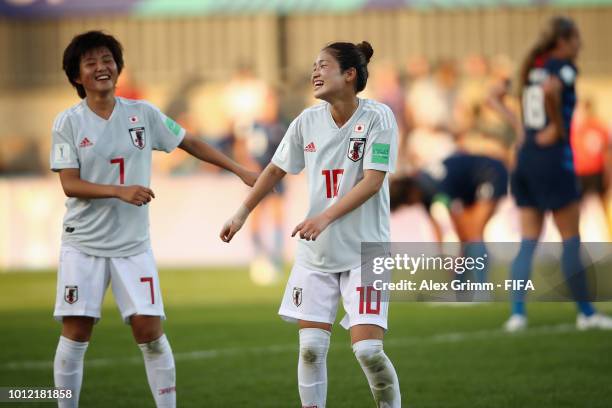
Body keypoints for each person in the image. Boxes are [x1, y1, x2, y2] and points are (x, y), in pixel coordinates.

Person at [50, 31, 257, 408]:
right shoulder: (68, 123)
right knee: (76, 333)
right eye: (91, 62)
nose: (102, 67)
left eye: (107, 59)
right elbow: (69, 183)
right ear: (77, 77)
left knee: (150, 331)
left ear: (118, 66)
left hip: (133, 245)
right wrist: (119, 190)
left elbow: (189, 142)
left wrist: (238, 169)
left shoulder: (141, 114)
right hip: (84, 244)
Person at [221, 41, 401, 407]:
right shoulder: (306, 121)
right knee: (311, 350)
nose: (314, 72)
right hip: (317, 255)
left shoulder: (378, 117)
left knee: (368, 351)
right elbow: (274, 169)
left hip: (365, 253)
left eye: (324, 65)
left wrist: (325, 216)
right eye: (313, 66)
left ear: (350, 75)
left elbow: (372, 180)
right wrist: (241, 213)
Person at [504, 16, 612, 332]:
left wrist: (521, 129)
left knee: (527, 243)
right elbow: (553, 93)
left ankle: (517, 315)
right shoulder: (563, 68)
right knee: (570, 241)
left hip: (525, 159)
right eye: (576, 39)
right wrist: (557, 125)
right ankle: (586, 313)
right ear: (562, 41)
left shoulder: (529, 67)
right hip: (553, 159)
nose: (580, 45)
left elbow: (493, 95)